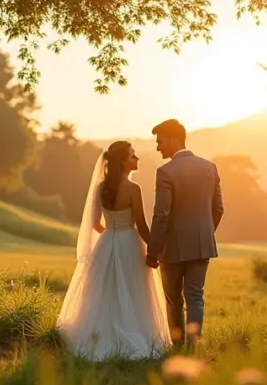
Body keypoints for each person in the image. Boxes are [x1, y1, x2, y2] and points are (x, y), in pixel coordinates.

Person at [56, 140, 172, 361]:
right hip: (129, 242)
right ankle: (134, 332)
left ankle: (99, 334)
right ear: (122, 162)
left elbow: (94, 224)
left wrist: (111, 235)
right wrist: (155, 251)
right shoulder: (133, 189)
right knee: (134, 289)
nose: (136, 158)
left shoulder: (101, 188)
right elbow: (142, 225)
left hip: (107, 241)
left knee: (104, 291)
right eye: (132, 156)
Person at [145, 119, 224, 347]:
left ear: (173, 138)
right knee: (195, 297)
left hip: (173, 248)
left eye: (160, 142)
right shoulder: (210, 167)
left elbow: (162, 215)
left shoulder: (165, 172)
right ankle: (194, 346)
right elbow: (218, 209)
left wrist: (153, 251)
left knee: (173, 300)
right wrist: (204, 233)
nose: (158, 147)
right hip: (202, 245)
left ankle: (177, 346)